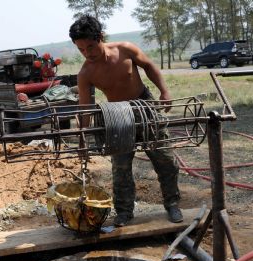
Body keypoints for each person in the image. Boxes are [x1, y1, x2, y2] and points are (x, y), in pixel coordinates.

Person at [69, 15, 183, 226]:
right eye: (81, 49)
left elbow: (149, 66)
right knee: (120, 168)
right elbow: (84, 107)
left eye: (91, 46)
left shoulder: (126, 49)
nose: (87, 53)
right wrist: (83, 138)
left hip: (146, 108)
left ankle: (172, 205)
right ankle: (124, 213)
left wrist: (164, 91)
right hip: (117, 117)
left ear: (101, 37)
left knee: (165, 159)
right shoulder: (85, 73)